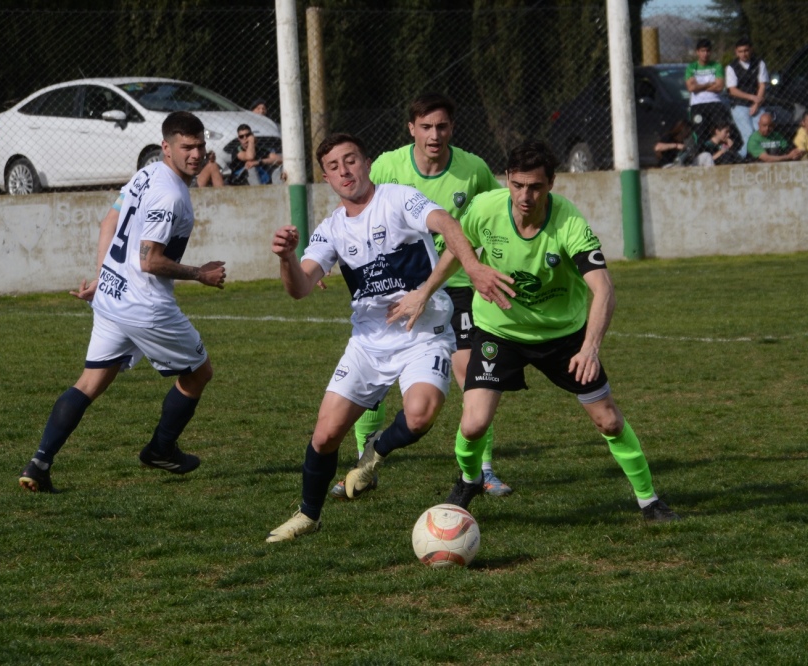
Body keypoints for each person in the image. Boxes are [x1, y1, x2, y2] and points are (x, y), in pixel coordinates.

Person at [390, 140, 679, 522]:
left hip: (563, 336)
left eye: (536, 187)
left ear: (552, 184)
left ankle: (649, 501)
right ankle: (469, 479)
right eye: (518, 185)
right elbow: (456, 250)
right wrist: (425, 292)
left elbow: (603, 288)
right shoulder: (485, 209)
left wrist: (590, 348)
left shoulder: (569, 222)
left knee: (607, 419)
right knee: (474, 423)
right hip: (499, 330)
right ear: (507, 180)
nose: (525, 196)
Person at [264, 132, 515, 542]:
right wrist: (286, 258)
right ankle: (308, 515)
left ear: (366, 162)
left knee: (419, 415)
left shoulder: (398, 198)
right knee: (325, 436)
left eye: (351, 160)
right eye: (334, 166)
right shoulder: (331, 230)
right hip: (368, 343)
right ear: (326, 178)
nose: (345, 171)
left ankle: (374, 453)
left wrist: (465, 271)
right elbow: (300, 287)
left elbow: (447, 223)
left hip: (424, 333)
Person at [18, 111, 227, 493]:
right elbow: (150, 261)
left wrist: (102, 277)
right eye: (186, 147)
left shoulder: (145, 173)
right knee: (199, 373)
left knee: (90, 382)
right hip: (144, 305)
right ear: (167, 147)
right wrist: (201, 274)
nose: (195, 154)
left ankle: (39, 463)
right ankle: (161, 449)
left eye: (200, 146)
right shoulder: (171, 194)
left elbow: (107, 225)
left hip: (113, 297)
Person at [333, 92, 513, 500]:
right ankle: (366, 464)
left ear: (453, 128)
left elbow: (496, 215)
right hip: (398, 290)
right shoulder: (387, 166)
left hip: (460, 289)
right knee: (376, 381)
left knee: (474, 375)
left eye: (442, 126)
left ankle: (482, 470)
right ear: (411, 128)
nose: (435, 135)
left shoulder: (474, 169)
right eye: (426, 127)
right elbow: (356, 212)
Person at [686, 38, 736, 151]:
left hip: (715, 102)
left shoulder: (716, 66)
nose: (705, 54)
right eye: (702, 51)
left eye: (708, 51)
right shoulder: (691, 67)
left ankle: (723, 153)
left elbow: (719, 87)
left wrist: (699, 86)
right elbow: (691, 87)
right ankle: (703, 154)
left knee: (723, 129)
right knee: (700, 132)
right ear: (697, 52)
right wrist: (709, 84)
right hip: (697, 104)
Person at [726, 38, 769, 159]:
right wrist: (752, 97)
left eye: (746, 50)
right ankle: (741, 157)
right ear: (736, 52)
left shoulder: (759, 63)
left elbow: (762, 85)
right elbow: (733, 90)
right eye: (740, 51)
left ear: (751, 50)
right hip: (739, 105)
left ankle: (744, 157)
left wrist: (756, 104)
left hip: (757, 105)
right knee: (749, 134)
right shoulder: (731, 67)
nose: (743, 54)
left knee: (761, 133)